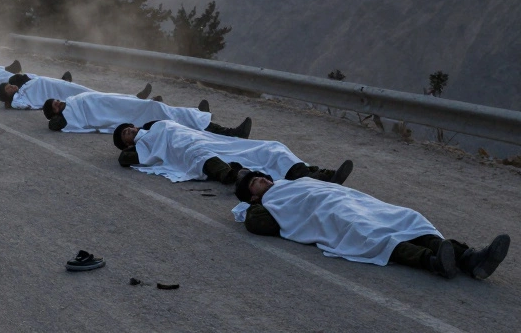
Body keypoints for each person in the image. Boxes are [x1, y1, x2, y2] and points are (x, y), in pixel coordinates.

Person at [233, 171, 510, 280]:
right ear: (253, 194)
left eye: (260, 176)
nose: (261, 178)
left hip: (352, 200)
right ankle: (433, 261)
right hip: (329, 214)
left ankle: (471, 258)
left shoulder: (289, 182)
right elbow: (261, 226)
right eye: (254, 181)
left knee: (406, 218)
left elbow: (324, 186)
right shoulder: (263, 206)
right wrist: (255, 204)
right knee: (371, 234)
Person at [112, 120, 352, 186]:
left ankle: (315, 175)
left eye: (129, 127)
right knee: (202, 157)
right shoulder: (142, 145)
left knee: (271, 147)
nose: (131, 130)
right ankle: (234, 177)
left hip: (206, 139)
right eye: (126, 134)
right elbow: (125, 160)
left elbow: (189, 124)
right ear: (127, 144)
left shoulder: (154, 124)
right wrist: (137, 146)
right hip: (188, 148)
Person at [40, 88, 250, 136]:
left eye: (58, 101)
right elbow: (53, 125)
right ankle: (227, 132)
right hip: (119, 115)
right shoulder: (67, 116)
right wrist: (57, 116)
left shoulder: (72, 100)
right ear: (55, 113)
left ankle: (196, 114)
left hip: (118, 104)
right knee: (161, 112)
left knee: (158, 107)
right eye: (56, 107)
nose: (60, 104)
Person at [0, 74, 154, 109]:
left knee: (93, 93)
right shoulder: (18, 98)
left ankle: (134, 98)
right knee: (94, 97)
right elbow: (20, 105)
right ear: (8, 96)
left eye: (9, 85)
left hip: (58, 85)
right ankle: (136, 100)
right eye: (8, 90)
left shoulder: (22, 86)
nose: (12, 88)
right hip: (59, 93)